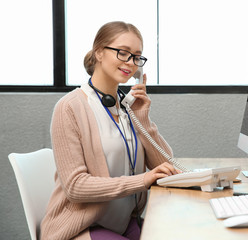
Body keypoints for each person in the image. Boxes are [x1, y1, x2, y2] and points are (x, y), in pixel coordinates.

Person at [40, 21, 180, 240]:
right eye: (123, 53)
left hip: (123, 223)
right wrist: (142, 180)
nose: (131, 63)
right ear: (99, 52)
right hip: (82, 228)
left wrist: (142, 118)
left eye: (136, 57)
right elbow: (76, 187)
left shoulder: (127, 108)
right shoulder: (70, 107)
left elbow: (167, 167)